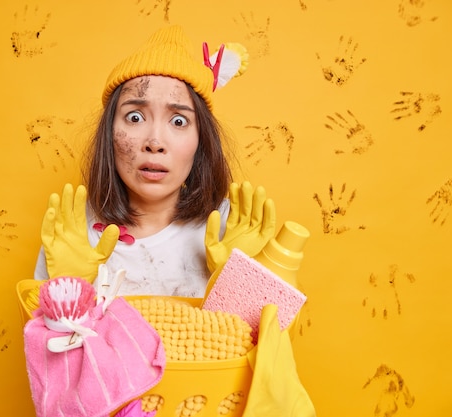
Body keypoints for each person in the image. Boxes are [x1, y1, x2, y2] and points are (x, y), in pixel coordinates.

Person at [34, 25, 276, 298]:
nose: (155, 142)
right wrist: (69, 292)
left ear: (201, 140)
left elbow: (268, 339)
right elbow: (41, 340)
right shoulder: (73, 234)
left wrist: (238, 283)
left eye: (178, 121)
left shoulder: (233, 230)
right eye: (135, 117)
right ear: (109, 133)